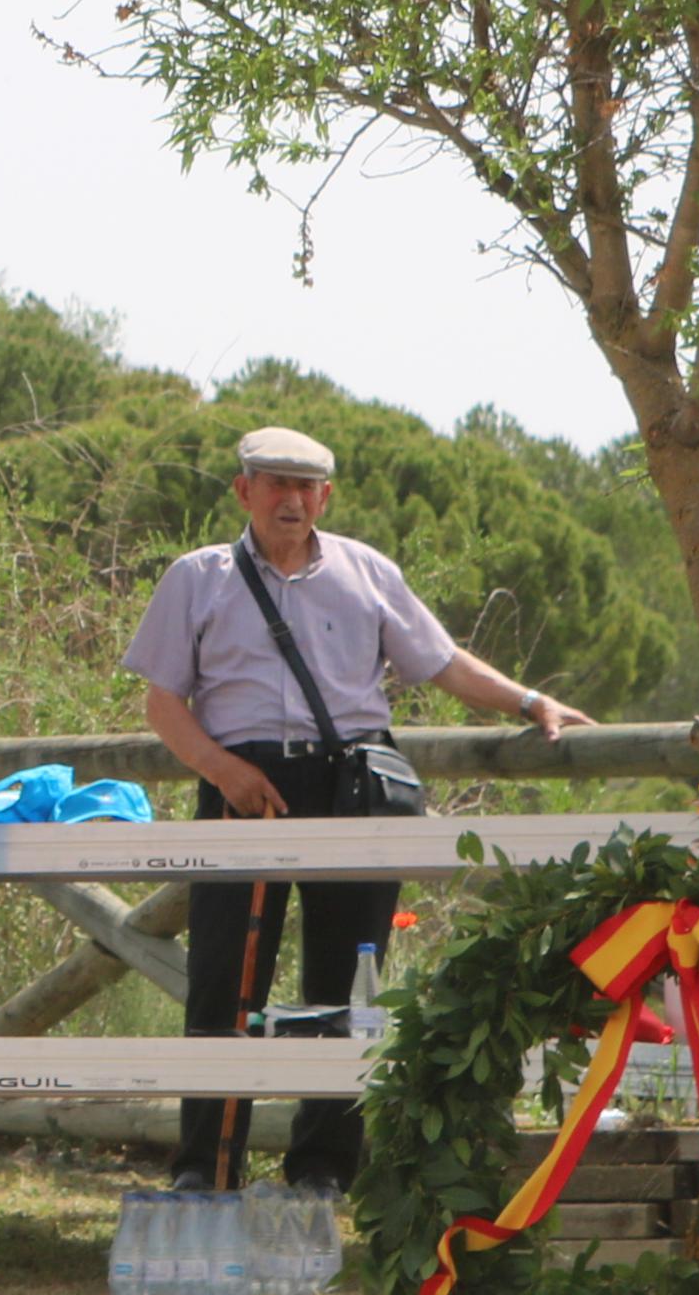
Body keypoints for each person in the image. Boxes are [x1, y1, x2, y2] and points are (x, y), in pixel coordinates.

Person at [128, 423, 592, 1190]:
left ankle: (321, 1169)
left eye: (304, 486)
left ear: (326, 496)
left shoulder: (366, 570)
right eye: (274, 482)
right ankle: (204, 1171)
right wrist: (223, 769)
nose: (290, 499)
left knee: (345, 985)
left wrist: (531, 699)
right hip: (245, 788)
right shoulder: (197, 577)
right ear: (243, 490)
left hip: (352, 785)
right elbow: (161, 702)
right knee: (224, 981)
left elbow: (440, 662)